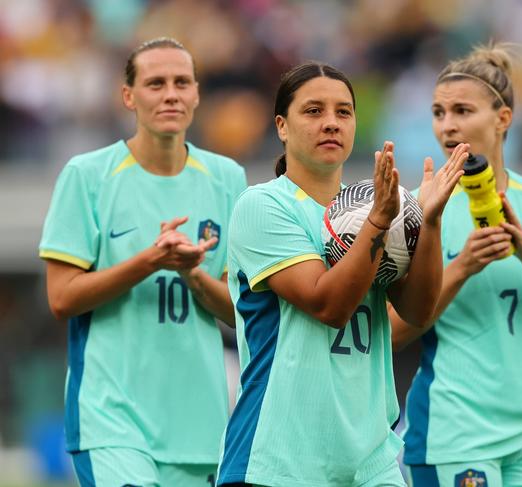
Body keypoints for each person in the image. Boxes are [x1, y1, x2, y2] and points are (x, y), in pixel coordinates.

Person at [216, 61, 467, 487]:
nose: (331, 122)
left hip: (371, 455)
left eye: (343, 112)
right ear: (281, 125)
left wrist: (428, 220)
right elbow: (328, 304)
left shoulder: (375, 209)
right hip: (280, 457)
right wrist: (379, 222)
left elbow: (419, 309)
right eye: (313, 111)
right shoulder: (263, 206)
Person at [39, 37, 247, 486]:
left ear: (196, 94)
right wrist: (150, 261)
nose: (170, 93)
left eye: (181, 82)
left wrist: (192, 273)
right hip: (111, 419)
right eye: (155, 83)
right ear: (128, 96)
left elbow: (239, 309)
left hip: (198, 423)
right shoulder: (87, 175)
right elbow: (61, 298)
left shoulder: (228, 178)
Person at [389, 43, 522, 487]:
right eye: (438, 112)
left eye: (463, 110)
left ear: (503, 119)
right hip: (454, 431)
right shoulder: (421, 205)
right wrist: (463, 266)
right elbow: (390, 332)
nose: (447, 125)